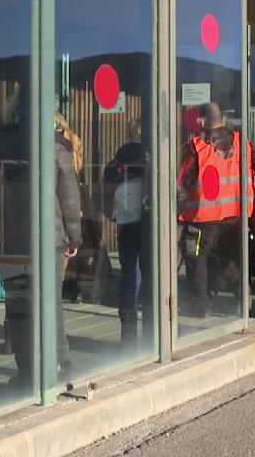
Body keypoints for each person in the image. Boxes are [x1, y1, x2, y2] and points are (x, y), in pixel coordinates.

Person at [0, 92, 81, 386]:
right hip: (48, 237)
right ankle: (61, 362)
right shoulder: (56, 146)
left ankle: (26, 369)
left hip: (8, 237)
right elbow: (68, 196)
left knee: (16, 304)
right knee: (50, 301)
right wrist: (74, 236)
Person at [177, 102, 255, 318]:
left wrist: (175, 211)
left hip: (204, 218)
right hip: (236, 215)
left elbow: (183, 184)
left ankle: (199, 307)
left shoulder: (196, 147)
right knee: (230, 260)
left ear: (201, 121)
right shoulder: (242, 142)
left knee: (196, 260)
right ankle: (242, 299)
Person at [109, 119, 149, 346]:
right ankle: (154, 329)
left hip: (125, 217)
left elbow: (108, 181)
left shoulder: (120, 154)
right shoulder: (149, 154)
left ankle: (128, 332)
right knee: (149, 270)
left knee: (128, 273)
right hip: (146, 217)